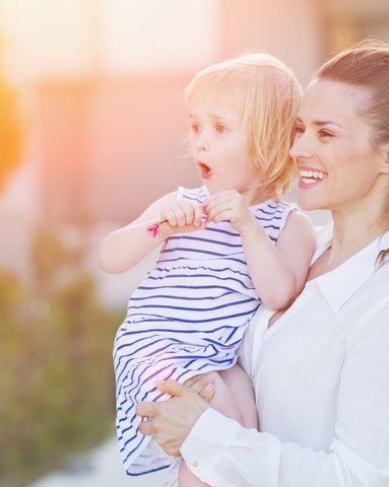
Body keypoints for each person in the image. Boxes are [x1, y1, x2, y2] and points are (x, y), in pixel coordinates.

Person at [136, 41, 389, 486]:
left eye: (325, 134)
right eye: (299, 129)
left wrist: (204, 435)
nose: (298, 150)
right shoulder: (298, 249)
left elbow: (355, 478)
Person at [98, 53, 316, 484]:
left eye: (219, 128)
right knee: (215, 435)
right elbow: (111, 257)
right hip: (161, 346)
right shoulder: (182, 203)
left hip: (218, 357)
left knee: (245, 437)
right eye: (196, 126)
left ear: (267, 142)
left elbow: (278, 295)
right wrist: (158, 227)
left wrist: (248, 227)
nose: (199, 141)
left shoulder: (288, 225)